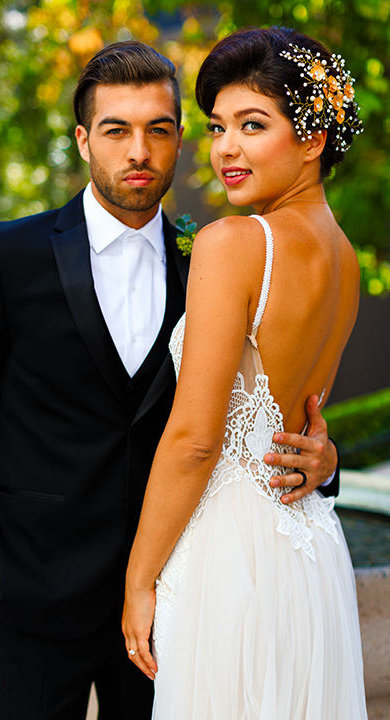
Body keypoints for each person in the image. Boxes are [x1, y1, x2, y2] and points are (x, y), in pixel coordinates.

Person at [0, 40, 339, 719]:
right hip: (36, 595)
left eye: (159, 129)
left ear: (178, 140)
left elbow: (259, 406)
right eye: (117, 130)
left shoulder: (207, 261)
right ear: (85, 141)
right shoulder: (9, 255)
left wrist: (328, 463)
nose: (138, 151)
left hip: (176, 599)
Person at [123, 27, 367, 719]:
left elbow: (196, 439)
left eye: (252, 125)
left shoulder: (234, 244)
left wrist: (139, 581)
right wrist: (326, 458)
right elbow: (304, 424)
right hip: (309, 552)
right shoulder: (345, 261)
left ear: (312, 139)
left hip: (229, 557)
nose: (225, 149)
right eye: (217, 127)